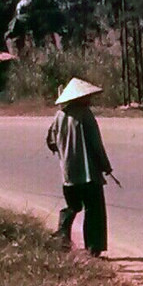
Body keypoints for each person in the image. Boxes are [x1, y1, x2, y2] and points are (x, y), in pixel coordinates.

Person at [46, 78, 113, 257]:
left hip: (68, 173)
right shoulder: (85, 114)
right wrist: (105, 166)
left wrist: (64, 149)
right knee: (94, 210)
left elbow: (51, 142)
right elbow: (95, 144)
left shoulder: (59, 116)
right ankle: (93, 248)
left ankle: (62, 234)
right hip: (88, 173)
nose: (90, 99)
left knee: (73, 205)